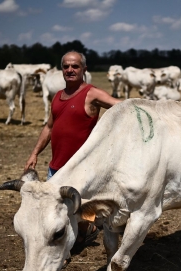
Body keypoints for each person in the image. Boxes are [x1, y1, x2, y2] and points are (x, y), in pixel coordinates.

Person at [24, 51, 121, 242]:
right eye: (66, 66)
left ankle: (89, 228)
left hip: (82, 169)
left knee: (81, 212)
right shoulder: (58, 96)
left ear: (84, 69)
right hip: (55, 168)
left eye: (75, 66)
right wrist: (34, 153)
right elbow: (49, 127)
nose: (70, 70)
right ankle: (68, 244)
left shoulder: (92, 93)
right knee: (55, 212)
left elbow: (121, 107)